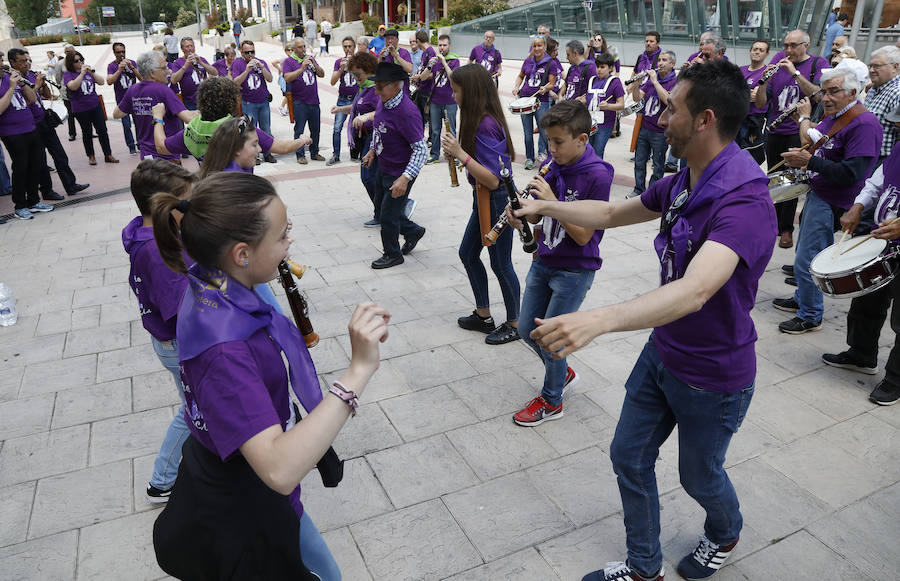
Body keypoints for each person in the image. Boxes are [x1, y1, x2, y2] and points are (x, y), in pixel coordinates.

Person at [514, 60, 775, 581]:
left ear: (703, 119)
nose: (659, 115)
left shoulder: (744, 198)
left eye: (670, 108)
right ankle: (642, 568)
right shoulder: (686, 179)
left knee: (699, 476)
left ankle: (725, 531)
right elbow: (612, 214)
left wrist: (599, 319)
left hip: (712, 374)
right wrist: (551, 210)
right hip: (664, 352)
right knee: (628, 457)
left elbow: (697, 289)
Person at [150, 171, 389, 580]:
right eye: (281, 236)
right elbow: (278, 469)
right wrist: (358, 370)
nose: (289, 242)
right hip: (243, 500)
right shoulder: (225, 349)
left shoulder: (213, 284)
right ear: (242, 254)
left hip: (244, 480)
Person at [507, 100, 612, 425]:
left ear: (582, 139)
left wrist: (551, 202)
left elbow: (582, 236)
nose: (550, 149)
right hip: (544, 259)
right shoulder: (554, 166)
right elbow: (541, 217)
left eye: (558, 142)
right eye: (548, 141)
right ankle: (562, 372)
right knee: (527, 329)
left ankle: (552, 401)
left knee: (552, 338)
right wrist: (524, 215)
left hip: (574, 269)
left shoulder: (598, 175)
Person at [773, 68, 882, 334]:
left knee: (807, 258)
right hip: (820, 192)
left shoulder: (864, 124)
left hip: (834, 197)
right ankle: (802, 300)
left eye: (834, 92)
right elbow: (812, 138)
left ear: (853, 93)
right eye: (824, 92)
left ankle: (810, 315)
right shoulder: (837, 116)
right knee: (804, 253)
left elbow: (853, 173)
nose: (826, 98)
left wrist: (810, 161)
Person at [122, 160, 198, 503]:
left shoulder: (154, 232)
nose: (191, 207)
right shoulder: (156, 250)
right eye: (185, 201)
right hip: (179, 342)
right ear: (164, 205)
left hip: (172, 339)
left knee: (197, 406)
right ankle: (162, 481)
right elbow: (185, 309)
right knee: (193, 409)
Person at [822, 103, 900, 405]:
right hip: (883, 241)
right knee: (868, 298)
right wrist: (858, 206)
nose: (895, 127)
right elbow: (878, 180)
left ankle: (895, 380)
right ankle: (862, 353)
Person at [439, 64, 521, 345]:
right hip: (483, 197)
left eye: (456, 91)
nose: (453, 96)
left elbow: (495, 179)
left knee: (501, 264)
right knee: (468, 253)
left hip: (497, 200)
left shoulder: (485, 124)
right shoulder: (477, 119)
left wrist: (459, 153)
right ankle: (483, 314)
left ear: (470, 92)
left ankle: (514, 323)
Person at [755, 29, 827, 249]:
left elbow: (820, 95)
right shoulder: (778, 60)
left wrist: (795, 73)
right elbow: (760, 104)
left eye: (793, 45)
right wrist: (763, 83)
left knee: (793, 178)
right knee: (774, 176)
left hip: (799, 131)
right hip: (775, 130)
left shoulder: (818, 63)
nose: (787, 50)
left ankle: (786, 229)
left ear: (806, 45)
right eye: (786, 45)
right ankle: (772, 224)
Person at [152, 76, 310, 163]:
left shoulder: (193, 130)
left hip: (211, 199)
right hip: (239, 196)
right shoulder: (241, 128)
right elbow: (282, 148)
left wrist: (158, 119)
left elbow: (161, 147)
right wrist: (302, 140)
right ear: (231, 101)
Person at [361, 62, 427, 269]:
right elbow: (378, 128)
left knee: (387, 216)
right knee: (385, 209)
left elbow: (421, 150)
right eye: (376, 86)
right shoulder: (384, 101)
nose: (376, 90)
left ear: (396, 86)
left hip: (401, 171)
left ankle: (392, 254)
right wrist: (372, 150)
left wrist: (405, 178)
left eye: (380, 86)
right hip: (384, 164)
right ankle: (413, 231)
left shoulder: (407, 112)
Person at [10, 48, 89, 200]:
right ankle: (47, 191)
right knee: (41, 162)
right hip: (30, 125)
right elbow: (23, 103)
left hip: (43, 120)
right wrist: (37, 86)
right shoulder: (13, 80)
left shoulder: (31, 76)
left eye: (28, 60)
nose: (27, 64)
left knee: (60, 155)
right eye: (23, 61)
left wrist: (43, 83)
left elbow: (46, 96)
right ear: (13, 63)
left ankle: (70, 185)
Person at [113, 51, 194, 161]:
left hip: (146, 155)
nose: (168, 71)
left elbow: (117, 114)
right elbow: (188, 118)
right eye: (164, 68)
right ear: (152, 72)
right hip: (166, 155)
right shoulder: (164, 91)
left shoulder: (133, 90)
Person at [0, 60, 55, 220]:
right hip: (11, 132)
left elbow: (32, 99)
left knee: (36, 165)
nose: (1, 65)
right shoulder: (8, 83)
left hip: (30, 127)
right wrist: (11, 87)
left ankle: (34, 201)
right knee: (21, 168)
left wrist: (22, 83)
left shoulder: (9, 78)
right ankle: (20, 205)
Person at [333, 52, 380, 226]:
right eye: (353, 74)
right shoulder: (363, 89)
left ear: (368, 71)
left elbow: (384, 111)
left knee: (368, 177)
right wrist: (340, 109)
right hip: (365, 138)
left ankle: (386, 210)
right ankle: (384, 210)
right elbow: (356, 108)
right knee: (375, 177)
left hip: (376, 138)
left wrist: (367, 116)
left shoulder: (376, 89)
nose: (356, 78)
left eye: (358, 74)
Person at [629, 50, 676, 197]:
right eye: (659, 60)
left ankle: (653, 193)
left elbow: (668, 101)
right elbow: (638, 99)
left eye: (664, 60)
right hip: (645, 127)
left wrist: (655, 81)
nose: (660, 63)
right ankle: (638, 189)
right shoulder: (649, 80)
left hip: (660, 132)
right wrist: (636, 86)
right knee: (639, 161)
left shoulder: (675, 82)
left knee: (658, 165)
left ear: (672, 64)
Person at [63, 51, 118, 165]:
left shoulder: (88, 72)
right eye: (76, 61)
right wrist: (82, 74)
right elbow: (73, 86)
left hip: (95, 105)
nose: (80, 62)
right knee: (87, 132)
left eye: (81, 59)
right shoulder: (68, 74)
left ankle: (108, 154)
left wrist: (91, 73)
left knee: (102, 130)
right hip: (80, 108)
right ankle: (91, 156)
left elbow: (102, 82)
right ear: (70, 63)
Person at [513, 36, 557, 170]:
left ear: (544, 46)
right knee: (527, 133)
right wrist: (516, 86)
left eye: (539, 46)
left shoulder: (550, 63)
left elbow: (552, 83)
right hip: (525, 100)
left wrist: (546, 88)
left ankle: (552, 158)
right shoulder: (528, 61)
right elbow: (521, 76)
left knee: (544, 132)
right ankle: (529, 158)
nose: (537, 48)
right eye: (535, 46)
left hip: (541, 101)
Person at [232, 40, 276, 163]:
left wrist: (262, 67)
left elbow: (270, 79)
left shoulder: (261, 62)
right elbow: (235, 82)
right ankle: (254, 155)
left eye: (253, 51)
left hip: (263, 101)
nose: (250, 54)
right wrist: (247, 70)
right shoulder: (237, 63)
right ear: (241, 52)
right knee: (251, 131)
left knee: (266, 129)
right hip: (248, 103)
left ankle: (267, 153)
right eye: (247, 52)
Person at [283, 38, 326, 164]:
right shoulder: (289, 61)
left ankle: (314, 152)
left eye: (304, 46)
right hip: (299, 102)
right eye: (300, 47)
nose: (303, 49)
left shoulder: (309, 59)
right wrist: (301, 69)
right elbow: (287, 77)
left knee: (316, 129)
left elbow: (322, 74)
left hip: (314, 101)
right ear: (294, 49)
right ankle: (300, 155)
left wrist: (315, 64)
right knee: (299, 130)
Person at [422, 34, 460, 164]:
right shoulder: (434, 60)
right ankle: (434, 155)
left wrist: (444, 61)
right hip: (435, 100)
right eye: (440, 45)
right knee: (435, 130)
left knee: (451, 130)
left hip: (450, 102)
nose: (442, 48)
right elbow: (422, 77)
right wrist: (429, 66)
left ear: (449, 46)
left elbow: (453, 78)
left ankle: (454, 155)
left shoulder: (455, 60)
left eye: (444, 45)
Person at [583, 52, 624, 159]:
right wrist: (582, 100)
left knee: (598, 151)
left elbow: (621, 104)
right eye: (597, 67)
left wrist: (608, 106)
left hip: (605, 125)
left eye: (602, 67)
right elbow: (588, 97)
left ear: (610, 68)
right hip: (589, 121)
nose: (599, 70)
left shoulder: (615, 82)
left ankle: (597, 174)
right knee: (588, 150)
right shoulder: (592, 80)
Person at [328, 36, 360, 165]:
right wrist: (341, 69)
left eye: (350, 46)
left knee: (356, 127)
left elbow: (366, 78)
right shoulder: (338, 62)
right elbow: (332, 81)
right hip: (342, 99)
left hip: (356, 99)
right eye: (345, 47)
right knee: (337, 128)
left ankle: (355, 154)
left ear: (354, 47)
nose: (347, 49)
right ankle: (336, 155)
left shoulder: (360, 61)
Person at [738, 39, 770, 164]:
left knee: (751, 155)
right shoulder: (740, 70)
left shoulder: (767, 73)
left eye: (761, 50)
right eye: (755, 49)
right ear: (750, 51)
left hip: (753, 119)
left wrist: (741, 92)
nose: (757, 52)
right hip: (736, 118)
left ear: (766, 54)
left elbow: (757, 97)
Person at [107, 42, 142, 155]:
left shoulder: (132, 62)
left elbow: (142, 79)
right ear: (114, 53)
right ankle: (131, 146)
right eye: (118, 52)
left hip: (136, 98)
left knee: (139, 123)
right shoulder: (111, 66)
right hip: (122, 100)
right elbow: (109, 81)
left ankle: (140, 144)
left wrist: (132, 67)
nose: (121, 54)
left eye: (123, 51)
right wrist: (119, 70)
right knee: (126, 124)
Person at [169, 37, 218, 111]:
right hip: (189, 101)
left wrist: (201, 62)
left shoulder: (201, 59)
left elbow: (215, 72)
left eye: (192, 46)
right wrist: (186, 65)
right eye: (187, 46)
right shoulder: (177, 63)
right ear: (182, 49)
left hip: (205, 99)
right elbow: (173, 80)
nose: (190, 48)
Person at [408, 29, 436, 129]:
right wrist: (415, 76)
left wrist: (419, 77)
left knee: (427, 117)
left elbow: (433, 73)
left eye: (415, 41)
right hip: (420, 88)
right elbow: (421, 67)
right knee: (419, 116)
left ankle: (430, 140)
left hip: (427, 90)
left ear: (419, 41)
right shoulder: (424, 53)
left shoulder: (431, 52)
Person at [54, 44, 78, 142]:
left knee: (83, 113)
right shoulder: (60, 64)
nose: (70, 53)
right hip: (66, 92)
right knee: (70, 114)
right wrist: (61, 87)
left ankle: (88, 130)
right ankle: (72, 133)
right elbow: (58, 78)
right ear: (64, 53)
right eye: (67, 51)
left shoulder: (78, 61)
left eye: (71, 51)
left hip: (79, 91)